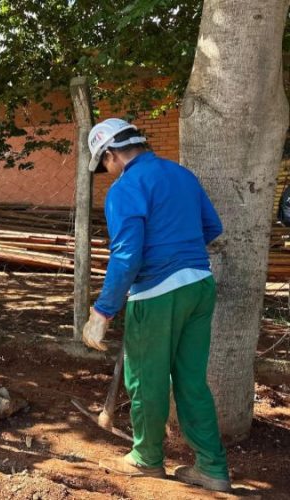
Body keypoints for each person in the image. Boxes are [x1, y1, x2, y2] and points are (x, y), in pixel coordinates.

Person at [81, 118, 230, 492]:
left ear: (111, 154)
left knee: (146, 378)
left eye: (103, 165)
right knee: (191, 380)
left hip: (157, 294)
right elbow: (211, 227)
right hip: (199, 285)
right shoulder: (181, 175)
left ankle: (147, 459)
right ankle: (212, 468)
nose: (106, 172)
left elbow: (127, 256)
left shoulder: (125, 188)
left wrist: (102, 311)